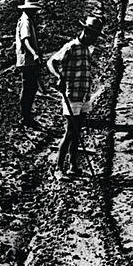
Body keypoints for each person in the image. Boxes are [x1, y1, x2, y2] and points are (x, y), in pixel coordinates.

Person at [47, 16, 103, 176]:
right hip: (71, 96)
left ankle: (73, 166)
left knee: (78, 130)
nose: (94, 40)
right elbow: (51, 62)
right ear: (86, 32)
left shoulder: (86, 49)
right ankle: (59, 168)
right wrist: (59, 77)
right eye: (93, 36)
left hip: (84, 95)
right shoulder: (71, 47)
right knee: (70, 131)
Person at [15, 0, 46, 127]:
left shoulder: (27, 19)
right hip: (27, 60)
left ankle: (27, 116)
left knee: (31, 88)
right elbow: (25, 40)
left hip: (29, 60)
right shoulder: (26, 21)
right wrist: (34, 53)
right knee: (28, 88)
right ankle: (25, 117)